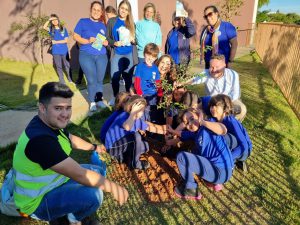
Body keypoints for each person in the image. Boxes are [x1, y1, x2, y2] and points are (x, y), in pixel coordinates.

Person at [12, 82, 128, 225]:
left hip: (52, 181)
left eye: (68, 108)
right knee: (94, 195)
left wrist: (94, 147)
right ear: (42, 107)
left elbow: (71, 139)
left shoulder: (48, 123)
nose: (65, 114)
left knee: (98, 172)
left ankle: (69, 211)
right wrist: (113, 187)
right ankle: (71, 219)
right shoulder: (40, 141)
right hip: (37, 201)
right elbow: (79, 174)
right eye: (58, 108)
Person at [167, 108, 233, 200]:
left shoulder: (208, 125)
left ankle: (191, 189)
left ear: (199, 115)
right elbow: (182, 134)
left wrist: (202, 121)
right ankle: (213, 182)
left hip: (220, 171)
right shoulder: (195, 134)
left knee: (182, 157)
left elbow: (223, 130)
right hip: (221, 170)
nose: (190, 123)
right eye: (186, 123)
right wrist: (172, 132)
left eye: (192, 118)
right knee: (194, 150)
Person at [105, 95, 167, 170]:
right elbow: (127, 127)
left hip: (121, 144)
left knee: (145, 146)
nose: (142, 113)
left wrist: (165, 132)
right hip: (112, 147)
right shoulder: (124, 116)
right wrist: (133, 113)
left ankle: (123, 158)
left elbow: (150, 128)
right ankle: (135, 163)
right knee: (136, 136)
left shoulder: (136, 119)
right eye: (141, 110)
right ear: (133, 108)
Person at [180, 54, 247, 121]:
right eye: (211, 67)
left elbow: (235, 94)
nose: (214, 70)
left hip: (230, 100)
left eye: (217, 67)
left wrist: (223, 104)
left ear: (224, 65)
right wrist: (180, 82)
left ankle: (232, 124)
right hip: (211, 100)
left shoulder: (233, 74)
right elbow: (194, 79)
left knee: (242, 109)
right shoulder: (206, 73)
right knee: (196, 109)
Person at [73, 1, 108, 111]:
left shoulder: (103, 25)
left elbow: (106, 40)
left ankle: (99, 100)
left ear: (101, 12)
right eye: (94, 9)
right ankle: (92, 101)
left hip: (101, 55)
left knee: (99, 79)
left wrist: (105, 42)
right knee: (91, 79)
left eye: (99, 10)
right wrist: (88, 40)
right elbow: (75, 36)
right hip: (86, 54)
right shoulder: (83, 22)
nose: (96, 12)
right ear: (90, 10)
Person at [209, 94, 252, 171]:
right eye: (211, 106)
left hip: (244, 150)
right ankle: (234, 161)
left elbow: (244, 145)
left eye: (216, 106)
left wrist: (228, 158)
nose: (212, 108)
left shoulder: (231, 121)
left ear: (225, 108)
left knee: (225, 138)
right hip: (232, 145)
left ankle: (235, 160)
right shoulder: (214, 119)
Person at [106, 0, 136, 106]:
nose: (123, 11)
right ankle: (115, 97)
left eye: (126, 9)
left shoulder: (131, 23)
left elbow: (135, 41)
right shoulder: (112, 21)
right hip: (117, 53)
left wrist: (133, 40)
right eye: (122, 8)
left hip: (128, 55)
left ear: (129, 12)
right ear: (118, 8)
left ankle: (128, 98)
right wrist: (114, 42)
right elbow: (107, 37)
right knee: (115, 77)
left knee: (128, 78)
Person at [43, 14, 72, 84]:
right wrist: (49, 20)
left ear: (58, 20)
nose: (54, 21)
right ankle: (62, 80)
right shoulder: (51, 29)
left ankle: (70, 79)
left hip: (64, 51)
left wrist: (56, 42)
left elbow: (66, 40)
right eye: (53, 21)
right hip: (56, 52)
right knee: (59, 67)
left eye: (55, 20)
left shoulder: (63, 29)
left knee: (67, 65)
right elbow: (44, 27)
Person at [134, 43, 161, 116]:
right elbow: (137, 80)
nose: (150, 58)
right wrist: (139, 93)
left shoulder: (155, 68)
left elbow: (158, 81)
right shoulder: (140, 66)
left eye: (153, 56)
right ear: (144, 54)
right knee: (143, 111)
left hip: (153, 94)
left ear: (155, 58)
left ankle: (151, 124)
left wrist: (160, 93)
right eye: (148, 55)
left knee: (152, 111)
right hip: (143, 94)